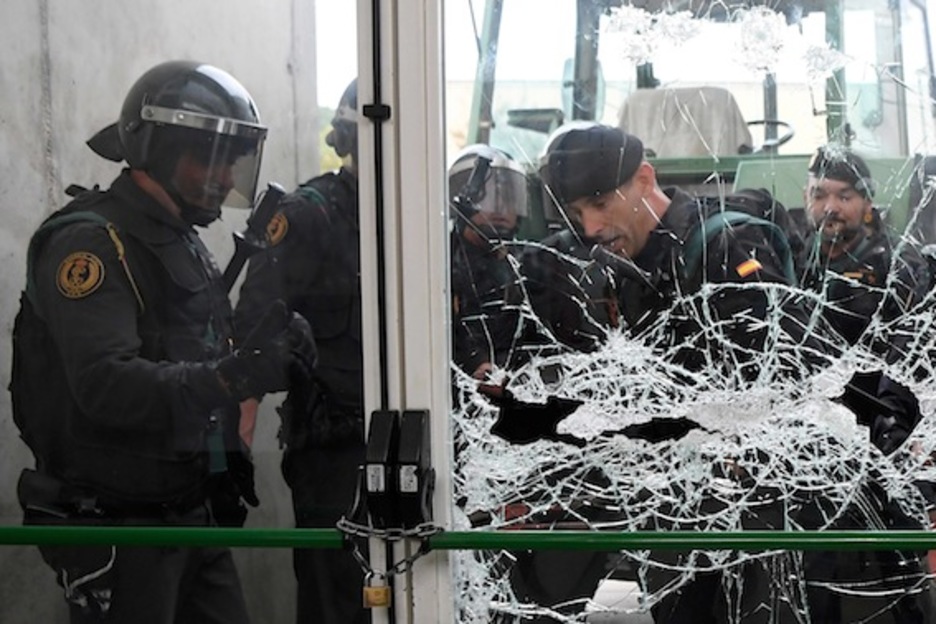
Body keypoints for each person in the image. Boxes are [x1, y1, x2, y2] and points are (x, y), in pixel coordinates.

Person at [11, 60, 315, 624]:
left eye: (231, 160)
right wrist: (234, 376)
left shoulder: (181, 237)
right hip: (120, 524)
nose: (224, 177)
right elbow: (104, 384)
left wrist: (257, 359)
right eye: (208, 156)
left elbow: (188, 359)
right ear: (157, 147)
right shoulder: (93, 243)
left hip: (188, 509)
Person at [234, 78, 370, 624]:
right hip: (332, 451)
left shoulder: (427, 223)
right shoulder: (310, 214)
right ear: (349, 137)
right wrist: (241, 423)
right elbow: (253, 324)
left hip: (417, 448)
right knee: (333, 597)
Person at [797, 144, 932, 623]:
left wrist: (891, 427)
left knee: (899, 566)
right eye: (819, 194)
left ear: (867, 203)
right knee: (815, 566)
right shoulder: (796, 258)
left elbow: (908, 356)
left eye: (845, 196)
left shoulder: (897, 265)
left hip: (883, 429)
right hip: (812, 439)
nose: (830, 207)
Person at [448, 143, 532, 379]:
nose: (501, 208)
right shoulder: (440, 263)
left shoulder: (528, 263)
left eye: (508, 196)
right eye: (487, 197)